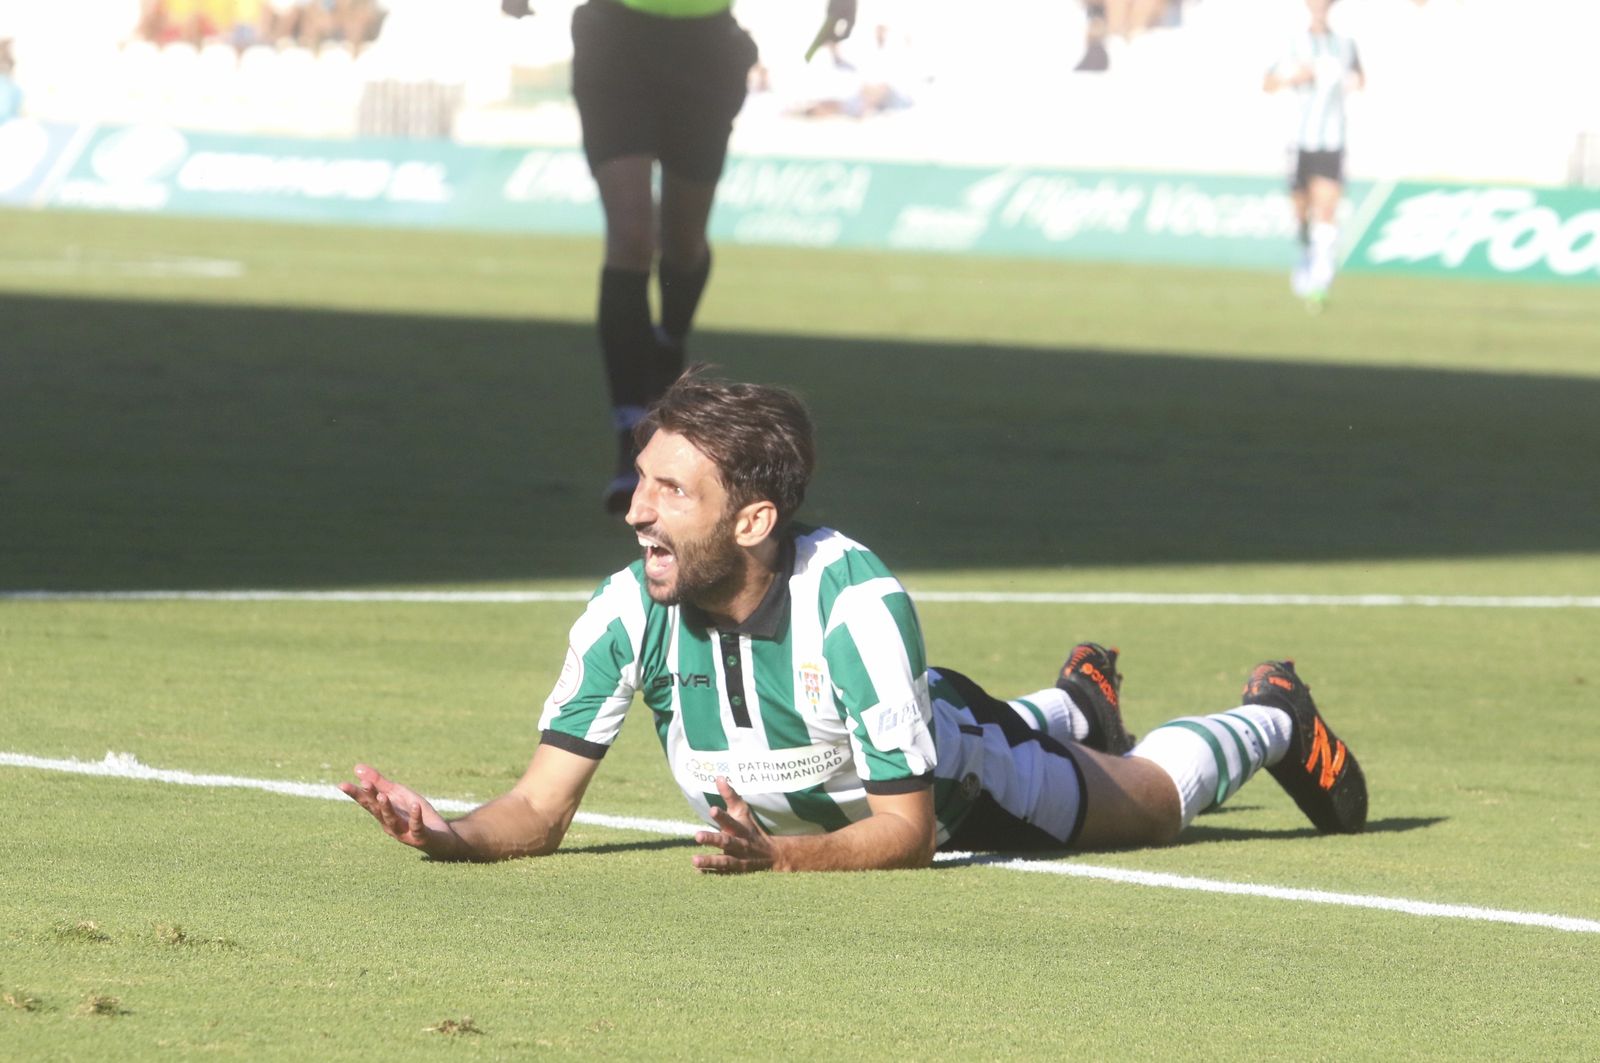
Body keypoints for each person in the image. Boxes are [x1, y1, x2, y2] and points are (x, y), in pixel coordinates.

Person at [343, 369, 1368, 872]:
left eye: (669, 490)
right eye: (641, 481)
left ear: (754, 520)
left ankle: (1274, 714)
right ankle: (1077, 702)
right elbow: (539, 806)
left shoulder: (854, 604)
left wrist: (779, 857)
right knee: (945, 719)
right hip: (903, 725)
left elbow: (908, 831)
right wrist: (449, 833)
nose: (635, 512)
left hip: (965, 786)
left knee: (1149, 804)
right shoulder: (627, 610)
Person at [500, 0, 858, 514]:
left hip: (705, 45)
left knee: (684, 241)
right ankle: (630, 432)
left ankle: (668, 343)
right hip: (614, 33)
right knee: (631, 236)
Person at [1264, 0, 1364, 309]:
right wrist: (1293, 78)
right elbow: (1268, 83)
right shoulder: (1293, 44)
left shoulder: (1345, 45)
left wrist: (1351, 85)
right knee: (1301, 212)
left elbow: (1360, 78)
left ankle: (1321, 279)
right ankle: (1307, 253)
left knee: (1327, 209)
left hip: (1333, 139)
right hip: (1300, 139)